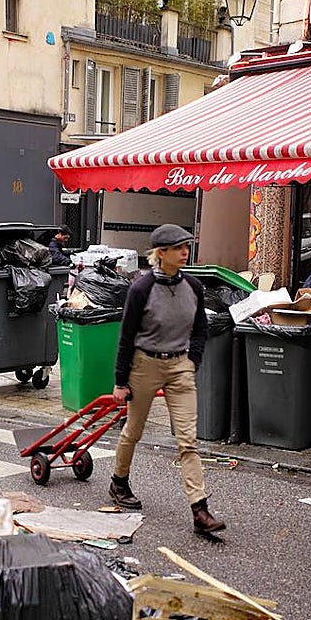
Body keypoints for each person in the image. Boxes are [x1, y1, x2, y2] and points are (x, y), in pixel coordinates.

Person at [109, 224, 225, 534]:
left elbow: (200, 328)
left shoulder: (194, 287)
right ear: (161, 253)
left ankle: (200, 510)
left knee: (188, 440)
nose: (185, 252)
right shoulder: (141, 289)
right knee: (133, 430)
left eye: (186, 246)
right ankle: (119, 482)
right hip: (144, 365)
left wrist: (192, 361)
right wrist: (120, 381)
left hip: (180, 366)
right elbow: (126, 336)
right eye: (178, 248)